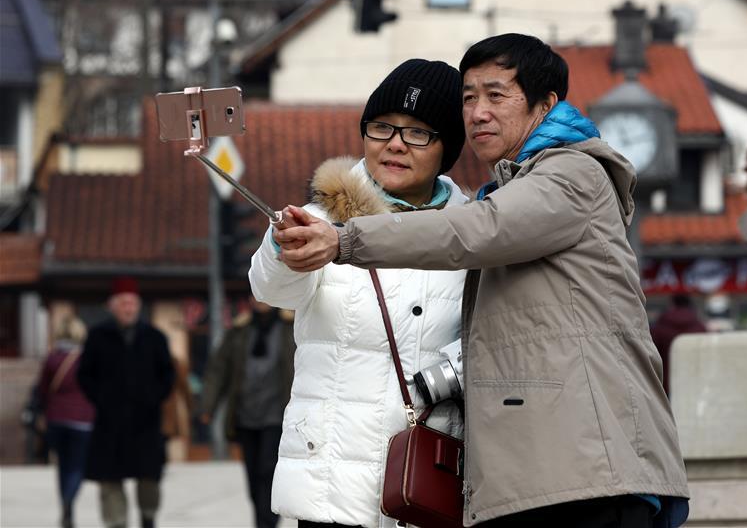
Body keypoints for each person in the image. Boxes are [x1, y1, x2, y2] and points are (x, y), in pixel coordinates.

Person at [274, 34, 691, 527]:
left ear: (545, 104)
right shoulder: (514, 185)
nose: (478, 112)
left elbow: (480, 229)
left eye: (496, 95)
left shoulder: (570, 172)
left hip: (590, 472)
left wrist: (345, 241)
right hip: (546, 470)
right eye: (468, 97)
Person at [249, 58, 468, 528]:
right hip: (331, 482)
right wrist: (280, 248)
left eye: (417, 132)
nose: (394, 144)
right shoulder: (322, 217)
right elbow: (271, 288)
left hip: (425, 480)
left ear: (446, 146)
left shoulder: (472, 230)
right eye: (382, 126)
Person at [77, 277, 174, 528]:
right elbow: (84, 375)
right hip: (109, 423)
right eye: (122, 304)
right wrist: (101, 399)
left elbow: (167, 375)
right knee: (110, 482)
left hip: (146, 422)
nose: (127, 308)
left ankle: (148, 517)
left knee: (149, 480)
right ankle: (116, 523)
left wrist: (153, 397)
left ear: (138, 305)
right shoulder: (97, 337)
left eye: (131, 303)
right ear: (112, 306)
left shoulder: (154, 337)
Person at [200, 297, 295, 528]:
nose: (260, 300)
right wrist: (208, 407)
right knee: (252, 473)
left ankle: (267, 522)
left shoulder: (290, 328)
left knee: (267, 468)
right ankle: (261, 520)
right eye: (255, 296)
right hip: (245, 414)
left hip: (277, 414)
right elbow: (218, 370)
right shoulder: (238, 331)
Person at [37, 314, 95, 528]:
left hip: (56, 419)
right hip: (82, 419)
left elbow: (42, 391)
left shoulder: (52, 359)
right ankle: (70, 501)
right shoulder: (86, 359)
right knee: (77, 466)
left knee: (62, 465)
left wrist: (44, 411)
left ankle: (65, 504)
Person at [650, 294, 708, 395]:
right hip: (694, 384)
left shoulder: (659, 328)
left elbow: (651, 355)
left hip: (665, 385)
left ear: (672, 304)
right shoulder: (700, 328)